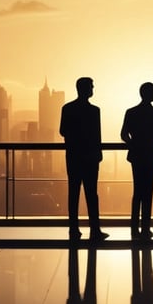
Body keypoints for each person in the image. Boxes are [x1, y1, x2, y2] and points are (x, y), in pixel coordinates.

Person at [60, 77, 108, 241]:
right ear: (85, 89)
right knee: (91, 194)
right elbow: (97, 135)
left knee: (73, 193)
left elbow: (63, 131)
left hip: (73, 156)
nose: (93, 89)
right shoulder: (94, 111)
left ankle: (73, 229)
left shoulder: (67, 108)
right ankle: (95, 230)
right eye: (91, 86)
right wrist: (98, 153)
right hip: (90, 157)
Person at [121, 82, 153, 240]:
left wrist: (134, 142)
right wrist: (149, 137)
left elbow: (124, 134)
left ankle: (134, 227)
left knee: (138, 191)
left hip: (137, 155)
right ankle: (145, 227)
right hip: (150, 155)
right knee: (148, 192)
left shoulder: (131, 112)